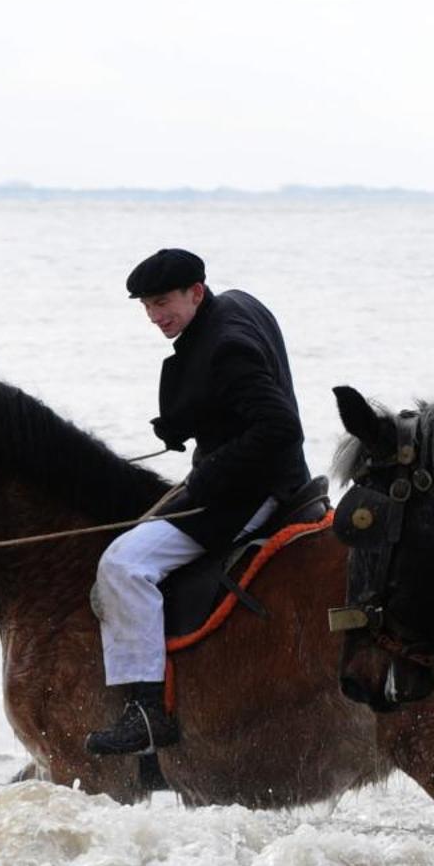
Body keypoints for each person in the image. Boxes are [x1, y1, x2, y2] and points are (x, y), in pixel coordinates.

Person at [85, 249, 312, 756]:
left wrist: (210, 472)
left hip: (253, 491)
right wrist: (185, 424)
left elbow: (279, 427)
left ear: (196, 291)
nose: (155, 316)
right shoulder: (238, 306)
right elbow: (230, 397)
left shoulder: (227, 343)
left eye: (162, 302)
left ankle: (147, 712)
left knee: (123, 565)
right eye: (146, 306)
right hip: (247, 477)